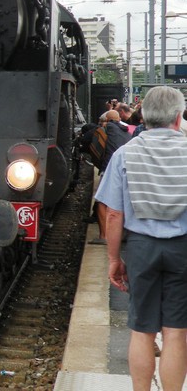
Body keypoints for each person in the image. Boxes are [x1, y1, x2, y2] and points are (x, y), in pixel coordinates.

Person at [95, 86, 187, 391]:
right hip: (182, 249)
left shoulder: (125, 154)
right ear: (178, 118)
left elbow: (113, 214)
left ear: (143, 116)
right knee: (176, 332)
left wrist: (113, 259)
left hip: (141, 248)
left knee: (142, 330)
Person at [91, 109, 131, 244]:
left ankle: (104, 236)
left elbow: (91, 143)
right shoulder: (127, 131)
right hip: (127, 168)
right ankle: (123, 233)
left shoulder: (106, 128)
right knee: (123, 201)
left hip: (110, 168)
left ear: (106, 121)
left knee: (101, 201)